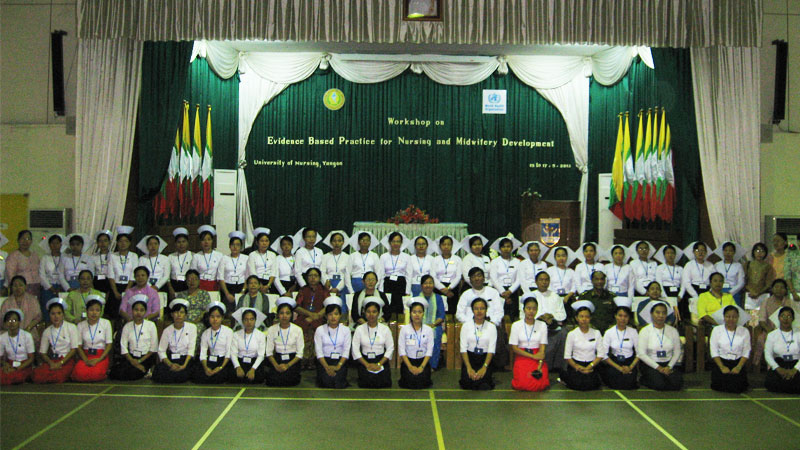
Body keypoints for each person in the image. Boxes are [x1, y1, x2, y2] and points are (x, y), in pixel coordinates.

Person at [455, 268, 508, 369]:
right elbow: (459, 314)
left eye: (479, 275)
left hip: (491, 324)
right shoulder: (466, 294)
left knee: (497, 333)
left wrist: (492, 323)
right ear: (470, 280)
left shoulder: (493, 292)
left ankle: (495, 365)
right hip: (471, 325)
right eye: (473, 276)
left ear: (484, 278)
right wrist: (472, 323)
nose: (476, 278)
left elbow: (499, 312)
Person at [109, 296, 159, 381]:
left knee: (132, 374)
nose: (138, 313)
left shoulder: (151, 325)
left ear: (145, 312)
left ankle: (146, 370)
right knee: (114, 372)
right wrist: (132, 361)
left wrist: (139, 362)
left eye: (141, 310)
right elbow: (123, 347)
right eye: (136, 310)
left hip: (145, 357)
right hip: (131, 357)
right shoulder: (127, 326)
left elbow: (153, 348)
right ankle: (141, 370)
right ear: (132, 311)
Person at [637, 301, 683, 391]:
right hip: (651, 364)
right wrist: (658, 368)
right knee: (660, 385)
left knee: (677, 384)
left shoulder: (673, 331)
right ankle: (644, 378)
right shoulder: (645, 331)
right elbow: (641, 354)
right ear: (651, 314)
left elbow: (677, 351)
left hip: (667, 363)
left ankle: (663, 376)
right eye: (657, 312)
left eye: (664, 313)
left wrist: (669, 366)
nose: (661, 316)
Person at [754, 279, 798, 371]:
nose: (779, 289)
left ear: (786, 290)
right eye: (776, 287)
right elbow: (762, 320)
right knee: (762, 339)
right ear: (772, 289)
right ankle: (770, 367)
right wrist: (771, 332)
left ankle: (792, 365)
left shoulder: (790, 302)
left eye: (782, 287)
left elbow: (796, 319)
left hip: (788, 330)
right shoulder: (766, 301)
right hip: (770, 330)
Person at [32, 298, 79, 384]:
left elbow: (74, 349)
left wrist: (61, 362)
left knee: (58, 377)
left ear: (63, 314)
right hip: (53, 360)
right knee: (37, 376)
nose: (56, 316)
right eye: (53, 314)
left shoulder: (71, 327)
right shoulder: (47, 331)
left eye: (59, 313)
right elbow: (43, 353)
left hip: (67, 359)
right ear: (49, 315)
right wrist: (51, 363)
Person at [530, 271, 568, 374]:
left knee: (564, 333)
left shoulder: (555, 296)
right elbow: (523, 314)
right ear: (536, 282)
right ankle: (540, 366)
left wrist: (552, 316)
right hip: (535, 327)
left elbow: (562, 315)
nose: (544, 282)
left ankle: (559, 367)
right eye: (541, 280)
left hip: (553, 326)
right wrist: (539, 317)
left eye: (546, 280)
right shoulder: (531, 296)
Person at [351, 296, 394, 388]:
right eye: (368, 312)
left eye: (374, 312)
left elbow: (390, 348)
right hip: (365, 361)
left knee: (383, 383)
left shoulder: (385, 329)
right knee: (366, 383)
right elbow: (355, 350)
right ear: (364, 313)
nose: (371, 315)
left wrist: (379, 364)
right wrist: (366, 364)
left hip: (381, 360)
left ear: (378, 313)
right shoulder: (359, 329)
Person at [509, 295, 549, 392]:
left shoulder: (542, 325)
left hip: (537, 357)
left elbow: (542, 350)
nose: (531, 311)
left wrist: (539, 365)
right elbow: (514, 348)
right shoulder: (516, 325)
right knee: (523, 384)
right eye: (528, 308)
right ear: (524, 309)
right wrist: (532, 356)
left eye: (534, 309)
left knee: (540, 384)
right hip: (522, 356)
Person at [152, 299, 197, 383]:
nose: (179, 315)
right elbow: (161, 351)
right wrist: (170, 364)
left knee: (188, 373)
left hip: (185, 359)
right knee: (158, 373)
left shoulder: (192, 327)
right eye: (176, 312)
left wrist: (184, 366)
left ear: (185, 315)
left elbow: (191, 349)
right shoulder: (167, 330)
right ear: (172, 314)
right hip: (171, 359)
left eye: (182, 312)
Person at [709, 305, 751, 393]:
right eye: (728, 316)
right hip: (722, 361)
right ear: (724, 317)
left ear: (738, 318)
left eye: (734, 317)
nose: (731, 319)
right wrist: (722, 367)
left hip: (737, 362)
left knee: (738, 386)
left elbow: (746, 351)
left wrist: (738, 367)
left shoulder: (744, 331)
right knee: (720, 385)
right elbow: (714, 351)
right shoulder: (717, 330)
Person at [562, 301, 603, 391]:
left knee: (591, 384)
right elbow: (567, 356)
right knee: (577, 384)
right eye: (581, 316)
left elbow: (600, 355)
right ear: (576, 318)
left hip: (592, 364)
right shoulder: (572, 334)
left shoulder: (596, 333)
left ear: (590, 318)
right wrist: (578, 367)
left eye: (587, 317)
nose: (584, 319)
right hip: (576, 365)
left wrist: (589, 367)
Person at [71, 295, 113, 382]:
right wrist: (86, 360)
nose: (94, 313)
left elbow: (109, 345)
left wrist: (99, 359)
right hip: (86, 356)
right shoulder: (80, 325)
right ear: (86, 311)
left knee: (96, 374)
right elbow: (78, 346)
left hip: (101, 356)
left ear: (101, 312)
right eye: (91, 310)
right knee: (78, 374)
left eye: (97, 310)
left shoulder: (106, 323)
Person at [599, 300, 639, 390]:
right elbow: (604, 354)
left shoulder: (633, 332)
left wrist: (630, 367)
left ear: (629, 318)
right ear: (615, 316)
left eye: (625, 316)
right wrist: (619, 368)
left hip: (629, 362)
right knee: (616, 383)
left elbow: (639, 353)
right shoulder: (609, 332)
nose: (622, 319)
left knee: (628, 383)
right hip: (614, 362)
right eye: (620, 315)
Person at [459, 298, 496, 390]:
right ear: (472, 310)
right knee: (467, 383)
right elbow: (463, 349)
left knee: (484, 385)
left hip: (485, 359)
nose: (479, 311)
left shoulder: (492, 327)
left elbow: (491, 349)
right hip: (470, 358)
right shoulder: (466, 326)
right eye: (476, 308)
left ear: (486, 310)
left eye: (482, 308)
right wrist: (468, 367)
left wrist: (484, 367)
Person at [295, 267, 329, 367]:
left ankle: (313, 359)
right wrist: (310, 314)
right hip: (304, 317)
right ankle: (303, 358)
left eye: (315, 275)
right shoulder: (303, 290)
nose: (313, 278)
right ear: (306, 277)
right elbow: (296, 307)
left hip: (320, 317)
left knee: (317, 328)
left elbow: (328, 306)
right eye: (310, 275)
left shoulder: (324, 290)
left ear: (319, 277)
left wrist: (316, 316)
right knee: (303, 326)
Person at [265, 298, 304, 386]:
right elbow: (269, 352)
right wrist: (276, 365)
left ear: (291, 315)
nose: (284, 316)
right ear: (278, 315)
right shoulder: (271, 329)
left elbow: (300, 354)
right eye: (281, 313)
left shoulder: (298, 330)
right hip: (278, 359)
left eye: (287, 313)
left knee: (290, 380)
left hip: (292, 360)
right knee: (272, 381)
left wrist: (287, 365)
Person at [314, 296, 351, 389]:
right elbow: (318, 352)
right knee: (326, 382)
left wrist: (338, 366)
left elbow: (346, 351)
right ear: (326, 316)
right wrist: (326, 367)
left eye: (336, 314)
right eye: (330, 314)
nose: (333, 317)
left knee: (338, 382)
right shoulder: (320, 329)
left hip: (340, 361)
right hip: (324, 361)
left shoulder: (346, 330)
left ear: (340, 315)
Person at [398, 297, 435, 389]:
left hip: (423, 361)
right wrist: (410, 367)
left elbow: (429, 351)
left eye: (420, 312)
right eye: (414, 312)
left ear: (423, 314)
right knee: (410, 381)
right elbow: (402, 350)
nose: (417, 315)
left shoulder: (429, 330)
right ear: (410, 313)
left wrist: (421, 367)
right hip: (408, 362)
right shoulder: (404, 330)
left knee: (422, 382)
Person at [193, 301, 233, 384]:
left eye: (218, 317)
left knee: (221, 376)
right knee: (197, 375)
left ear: (222, 318)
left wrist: (220, 367)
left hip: (223, 361)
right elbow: (203, 353)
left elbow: (228, 353)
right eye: (212, 317)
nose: (215, 319)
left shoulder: (228, 331)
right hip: (210, 360)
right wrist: (206, 368)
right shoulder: (205, 333)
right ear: (208, 318)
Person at [764, 307, 800, 394]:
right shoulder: (772, 335)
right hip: (780, 363)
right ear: (779, 318)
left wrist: (795, 369)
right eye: (783, 316)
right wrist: (777, 368)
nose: (786, 319)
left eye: (789, 316)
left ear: (793, 319)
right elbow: (768, 354)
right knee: (771, 384)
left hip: (796, 363)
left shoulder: (798, 333)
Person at [414, 275, 445, 369]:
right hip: (418, 325)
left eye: (430, 283)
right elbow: (413, 314)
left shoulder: (438, 298)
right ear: (421, 285)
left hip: (434, 325)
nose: (428, 285)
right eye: (425, 283)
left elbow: (441, 316)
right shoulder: (416, 298)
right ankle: (417, 362)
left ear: (434, 285)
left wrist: (432, 324)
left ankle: (432, 365)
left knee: (435, 335)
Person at [107, 226, 139, 319]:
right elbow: (110, 275)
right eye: (120, 241)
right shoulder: (112, 256)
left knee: (129, 313)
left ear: (129, 243)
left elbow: (133, 274)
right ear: (117, 243)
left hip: (130, 287)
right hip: (115, 287)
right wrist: (115, 291)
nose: (123, 243)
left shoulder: (134, 256)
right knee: (114, 314)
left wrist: (127, 290)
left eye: (126, 241)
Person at [230, 307, 268, 384]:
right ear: (242, 321)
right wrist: (238, 367)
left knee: (258, 378)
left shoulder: (261, 335)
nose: (249, 322)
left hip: (254, 362)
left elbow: (261, 355)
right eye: (246, 319)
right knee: (233, 377)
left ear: (255, 320)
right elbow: (233, 353)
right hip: (240, 362)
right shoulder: (236, 334)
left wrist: (253, 369)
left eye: (251, 319)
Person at [489, 236, 522, 321]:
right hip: (499, 291)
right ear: (500, 248)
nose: (506, 249)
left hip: (513, 292)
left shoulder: (517, 262)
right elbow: (493, 278)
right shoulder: (495, 262)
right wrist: (502, 292)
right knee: (498, 316)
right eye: (503, 247)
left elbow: (519, 278)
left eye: (508, 246)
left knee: (512, 317)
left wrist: (510, 291)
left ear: (512, 248)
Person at [379, 231, 411, 319]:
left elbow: (409, 275)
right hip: (388, 284)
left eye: (398, 241)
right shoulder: (383, 256)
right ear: (389, 242)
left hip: (401, 284)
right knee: (388, 308)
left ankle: (400, 325)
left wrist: (407, 291)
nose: (396, 244)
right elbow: (381, 274)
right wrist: (381, 291)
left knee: (400, 308)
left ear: (401, 243)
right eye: (393, 241)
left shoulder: (407, 257)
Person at [1, 309, 36, 385]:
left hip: (24, 365)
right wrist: (5, 365)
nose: (11, 323)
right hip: (10, 365)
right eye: (9, 320)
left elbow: (31, 358)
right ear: (5, 323)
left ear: (19, 322)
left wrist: (16, 368)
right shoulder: (2, 337)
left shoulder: (27, 336)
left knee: (16, 377)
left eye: (14, 320)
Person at [680, 241, 714, 320]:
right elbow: (686, 282)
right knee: (694, 318)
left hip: (707, 292)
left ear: (706, 252)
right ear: (693, 252)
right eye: (698, 250)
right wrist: (695, 296)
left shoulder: (710, 265)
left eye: (703, 250)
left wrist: (710, 293)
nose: (700, 252)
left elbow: (714, 279)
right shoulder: (689, 265)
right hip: (693, 291)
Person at [744, 243, 778, 318]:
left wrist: (758, 293)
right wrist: (751, 291)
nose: (759, 253)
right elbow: (744, 281)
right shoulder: (747, 264)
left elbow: (769, 283)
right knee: (749, 318)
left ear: (765, 253)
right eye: (757, 250)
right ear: (753, 252)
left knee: (762, 317)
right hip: (749, 295)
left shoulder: (768, 267)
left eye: (762, 251)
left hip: (763, 295)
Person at [218, 231, 249, 313]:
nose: (235, 247)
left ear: (241, 246)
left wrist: (243, 291)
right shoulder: (224, 258)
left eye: (238, 245)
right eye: (233, 245)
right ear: (229, 246)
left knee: (242, 312)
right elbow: (220, 277)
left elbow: (248, 276)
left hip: (242, 287)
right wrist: (227, 294)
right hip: (227, 288)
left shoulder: (246, 258)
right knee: (228, 313)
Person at [431, 235, 463, 314]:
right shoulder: (435, 259)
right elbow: (433, 276)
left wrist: (449, 288)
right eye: (444, 244)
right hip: (438, 288)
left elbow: (458, 276)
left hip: (452, 288)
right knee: (438, 311)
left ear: (452, 246)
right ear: (440, 246)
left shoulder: (457, 259)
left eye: (449, 244)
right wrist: (442, 289)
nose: (446, 247)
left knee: (452, 311)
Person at [4, 230, 41, 297]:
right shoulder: (13, 256)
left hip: (36, 286)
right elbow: (10, 275)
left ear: (31, 241)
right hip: (20, 289)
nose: (25, 241)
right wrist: (18, 287)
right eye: (23, 238)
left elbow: (39, 271)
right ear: (18, 240)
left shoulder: (35, 255)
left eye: (28, 239)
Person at [176, 269, 212, 337]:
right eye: (189, 279)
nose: (192, 282)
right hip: (183, 322)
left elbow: (206, 310)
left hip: (199, 322)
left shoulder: (204, 294)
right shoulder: (181, 295)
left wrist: (196, 320)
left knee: (197, 329)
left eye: (195, 279)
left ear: (199, 281)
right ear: (186, 281)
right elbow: (177, 311)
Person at [320, 230, 352, 306]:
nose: (337, 243)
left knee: (342, 307)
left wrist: (338, 288)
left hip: (343, 284)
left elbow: (347, 274)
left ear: (343, 242)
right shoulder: (325, 256)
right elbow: (322, 272)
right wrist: (329, 286)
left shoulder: (348, 257)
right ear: (331, 243)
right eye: (334, 241)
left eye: (339, 241)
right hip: (328, 284)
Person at [38, 233, 65, 319]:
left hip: (62, 288)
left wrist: (62, 286)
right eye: (52, 243)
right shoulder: (45, 258)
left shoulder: (65, 257)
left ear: (61, 244)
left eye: (57, 243)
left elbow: (67, 273)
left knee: (61, 311)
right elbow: (42, 275)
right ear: (49, 245)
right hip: (48, 289)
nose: (55, 245)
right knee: (47, 312)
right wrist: (51, 288)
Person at [713, 241, 746, 307]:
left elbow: (741, 283)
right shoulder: (717, 265)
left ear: (734, 252)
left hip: (734, 293)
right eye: (725, 250)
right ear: (723, 252)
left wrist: (730, 292)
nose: (728, 253)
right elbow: (713, 280)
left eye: (730, 251)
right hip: (719, 292)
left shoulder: (738, 266)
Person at [191, 224, 223, 292]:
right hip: (200, 285)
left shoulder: (219, 255)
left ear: (212, 241)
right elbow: (193, 274)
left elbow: (221, 274)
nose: (206, 242)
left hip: (214, 285)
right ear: (200, 242)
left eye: (209, 239)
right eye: (203, 240)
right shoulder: (196, 256)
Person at [247, 227, 276, 293]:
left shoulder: (273, 255)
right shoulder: (252, 255)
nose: (264, 243)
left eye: (266, 241)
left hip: (270, 283)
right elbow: (252, 272)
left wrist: (268, 285)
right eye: (262, 241)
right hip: (256, 283)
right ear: (257, 242)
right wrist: (259, 285)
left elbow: (274, 272)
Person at [167, 227, 193, 297]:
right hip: (174, 285)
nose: (181, 244)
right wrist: (170, 288)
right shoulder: (170, 256)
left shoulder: (192, 255)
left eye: (183, 241)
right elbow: (167, 275)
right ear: (175, 244)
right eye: (179, 242)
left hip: (188, 285)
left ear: (187, 242)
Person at [89, 230, 113, 298]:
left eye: (105, 241)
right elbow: (91, 273)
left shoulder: (113, 256)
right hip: (97, 282)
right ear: (97, 243)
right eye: (100, 241)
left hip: (110, 282)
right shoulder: (93, 257)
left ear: (109, 242)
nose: (103, 243)